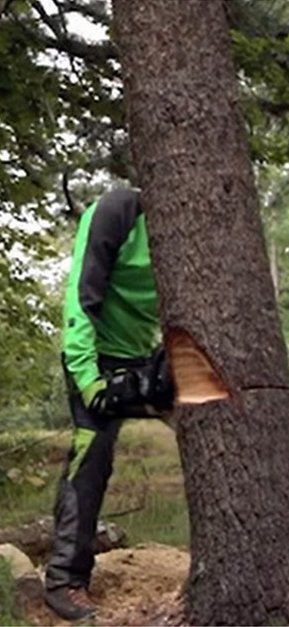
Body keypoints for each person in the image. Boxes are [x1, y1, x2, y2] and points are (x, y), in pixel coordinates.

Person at [44, 188, 173, 620]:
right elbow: (81, 296)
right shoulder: (117, 211)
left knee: (207, 424)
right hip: (94, 356)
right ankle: (65, 580)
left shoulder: (194, 227)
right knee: (92, 456)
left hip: (143, 355)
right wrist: (88, 380)